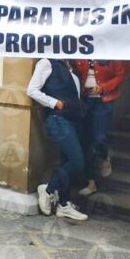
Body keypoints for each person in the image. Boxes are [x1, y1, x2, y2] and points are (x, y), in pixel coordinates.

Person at [27, 58, 89, 221]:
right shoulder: (47, 62)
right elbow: (32, 90)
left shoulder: (71, 64)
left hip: (74, 119)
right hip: (58, 119)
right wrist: (55, 103)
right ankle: (48, 189)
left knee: (66, 161)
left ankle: (63, 204)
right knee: (77, 161)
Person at [72, 59, 130, 197]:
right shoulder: (80, 55)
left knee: (100, 137)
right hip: (85, 101)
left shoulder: (109, 54)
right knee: (86, 142)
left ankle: (104, 156)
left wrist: (104, 87)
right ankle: (91, 183)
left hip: (103, 101)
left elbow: (120, 75)